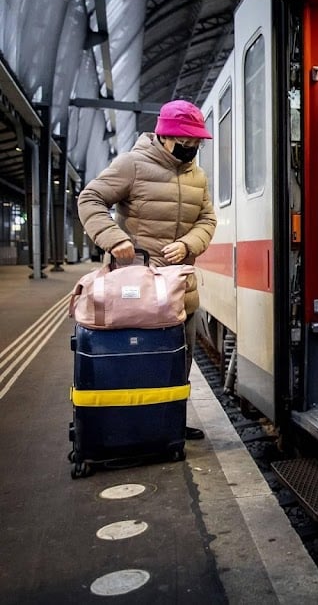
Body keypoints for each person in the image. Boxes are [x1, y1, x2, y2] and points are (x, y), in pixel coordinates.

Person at [78, 100, 217, 440]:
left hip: (178, 288)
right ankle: (130, 429)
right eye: (189, 141)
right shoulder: (132, 164)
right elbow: (90, 198)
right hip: (137, 287)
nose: (194, 147)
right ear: (166, 136)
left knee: (177, 358)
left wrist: (187, 245)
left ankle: (170, 423)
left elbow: (207, 219)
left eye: (198, 141)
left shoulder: (196, 175)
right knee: (137, 357)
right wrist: (113, 238)